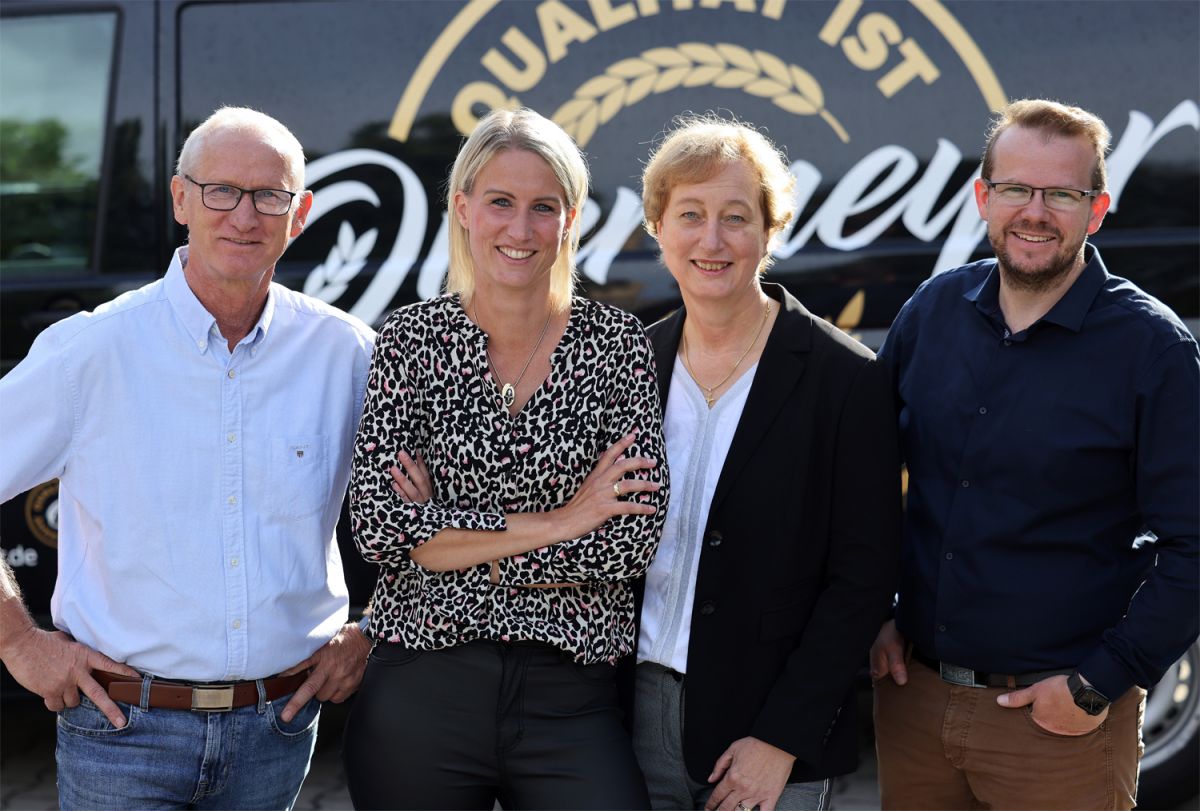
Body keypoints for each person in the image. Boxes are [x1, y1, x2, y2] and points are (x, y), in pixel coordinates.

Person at [0, 107, 376, 809]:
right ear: (181, 199)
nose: (245, 214)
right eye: (221, 190)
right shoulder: (92, 350)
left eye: (270, 195)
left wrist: (372, 630)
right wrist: (19, 640)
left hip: (277, 731)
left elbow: (436, 515)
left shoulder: (347, 354)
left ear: (301, 215)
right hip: (122, 731)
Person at [870, 98, 1200, 810]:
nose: (1035, 211)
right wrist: (873, 613)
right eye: (1016, 188)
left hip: (1057, 728)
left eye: (1062, 193)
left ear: (1098, 208)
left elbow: (1194, 543)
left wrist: (1098, 683)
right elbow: (860, 482)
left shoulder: (1154, 350)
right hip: (914, 707)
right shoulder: (931, 313)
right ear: (984, 197)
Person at [341, 106, 669, 810]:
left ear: (571, 217)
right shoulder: (410, 340)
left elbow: (626, 542)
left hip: (570, 693)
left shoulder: (614, 346)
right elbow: (379, 529)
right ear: (463, 208)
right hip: (422, 682)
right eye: (500, 202)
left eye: (542, 207)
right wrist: (563, 519)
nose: (520, 230)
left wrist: (442, 538)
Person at [630, 115, 902, 811]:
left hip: (759, 730)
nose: (712, 240)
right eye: (689, 214)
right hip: (622, 715)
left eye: (736, 217)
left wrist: (782, 738)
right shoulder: (630, 364)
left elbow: (863, 578)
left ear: (769, 231)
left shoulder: (845, 377)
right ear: (658, 228)